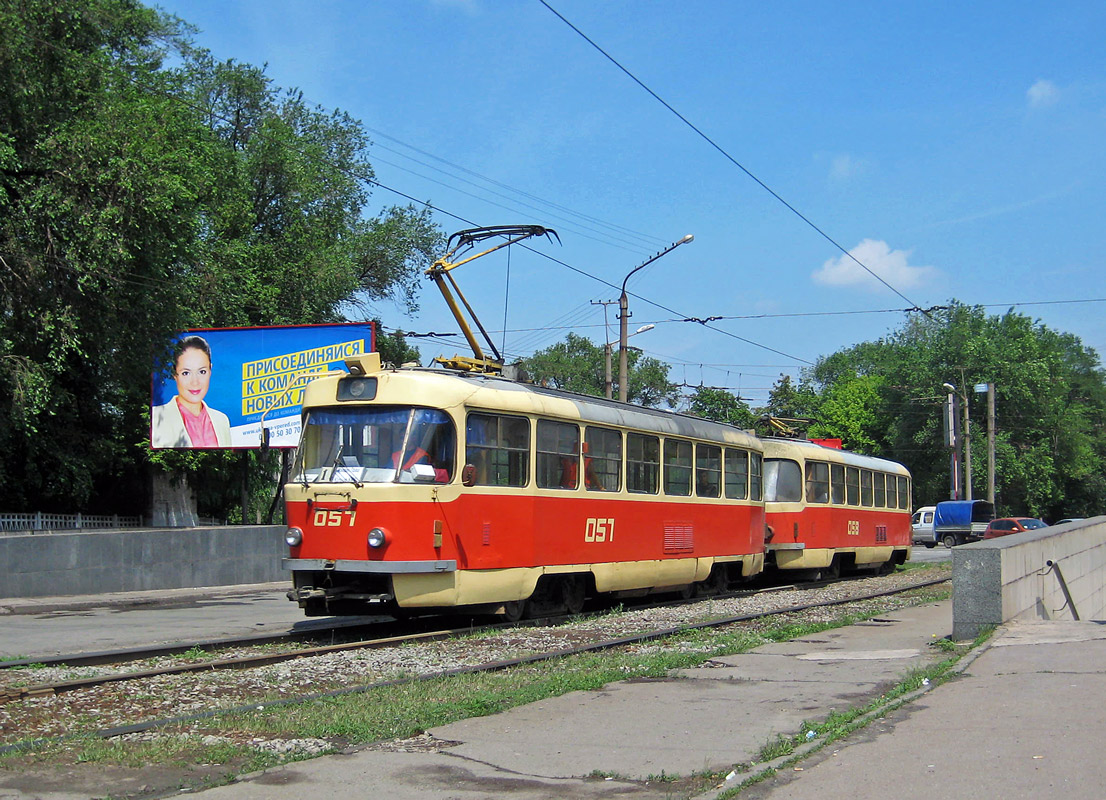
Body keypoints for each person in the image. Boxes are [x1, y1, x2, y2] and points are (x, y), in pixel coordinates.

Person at [151, 336, 232, 448]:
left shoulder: (221, 420)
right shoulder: (156, 417)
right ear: (175, 374)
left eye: (202, 371)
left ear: (210, 370)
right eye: (186, 373)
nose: (195, 382)